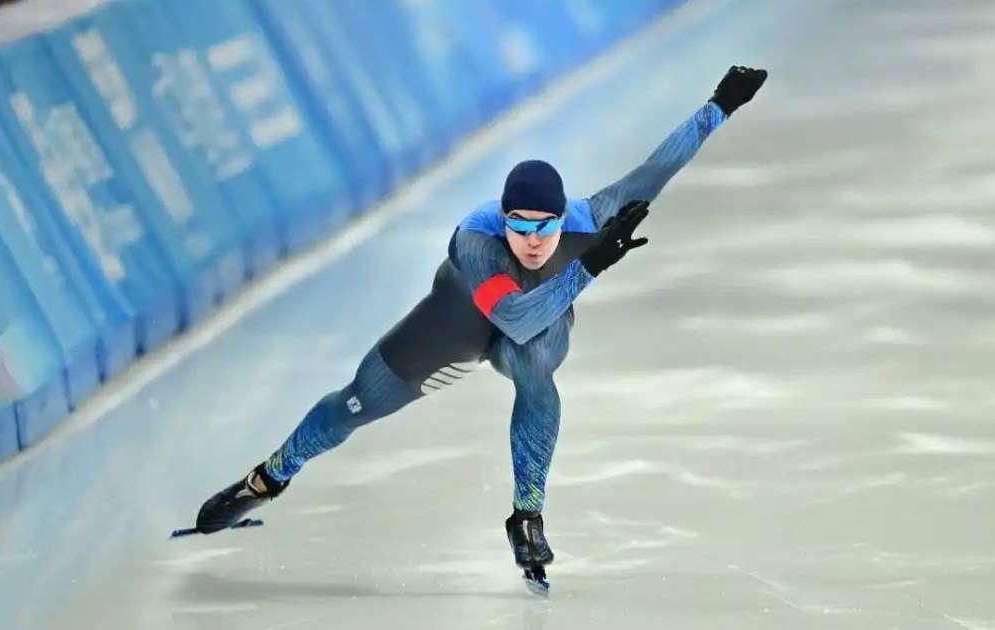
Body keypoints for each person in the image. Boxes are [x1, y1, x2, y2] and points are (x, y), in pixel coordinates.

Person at [195, 65, 768, 574]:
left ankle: (527, 514)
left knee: (535, 363)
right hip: (458, 327)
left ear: (563, 218)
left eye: (546, 227)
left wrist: (719, 105)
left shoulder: (588, 218)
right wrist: (589, 267)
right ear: (503, 220)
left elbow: (655, 170)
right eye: (520, 226)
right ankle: (271, 475)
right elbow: (513, 317)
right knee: (355, 404)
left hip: (534, 331)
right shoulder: (477, 242)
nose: (533, 240)